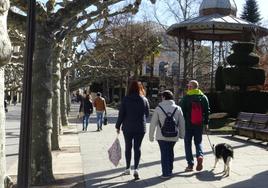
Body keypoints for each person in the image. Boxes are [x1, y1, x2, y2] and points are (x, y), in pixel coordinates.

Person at [115, 81, 149, 180]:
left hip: (128, 127)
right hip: (140, 127)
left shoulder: (126, 99)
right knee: (137, 148)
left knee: (128, 147)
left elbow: (121, 114)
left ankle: (127, 168)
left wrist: (118, 126)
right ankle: (136, 169)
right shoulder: (144, 100)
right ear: (140, 88)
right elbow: (146, 114)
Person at [149, 90, 185, 178]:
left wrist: (151, 136)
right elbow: (182, 123)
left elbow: (153, 123)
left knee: (164, 153)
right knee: (170, 152)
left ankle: (166, 173)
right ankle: (170, 170)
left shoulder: (158, 108)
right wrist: (182, 135)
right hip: (174, 135)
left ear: (164, 97)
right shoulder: (178, 108)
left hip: (161, 136)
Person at [179, 80, 210, 172]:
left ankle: (190, 165)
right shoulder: (203, 97)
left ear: (191, 87)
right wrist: (206, 123)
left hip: (187, 125)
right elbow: (207, 111)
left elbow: (181, 112)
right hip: (198, 124)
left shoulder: (186, 98)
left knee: (187, 144)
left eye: (189, 86)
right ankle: (200, 156)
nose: (188, 87)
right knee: (198, 142)